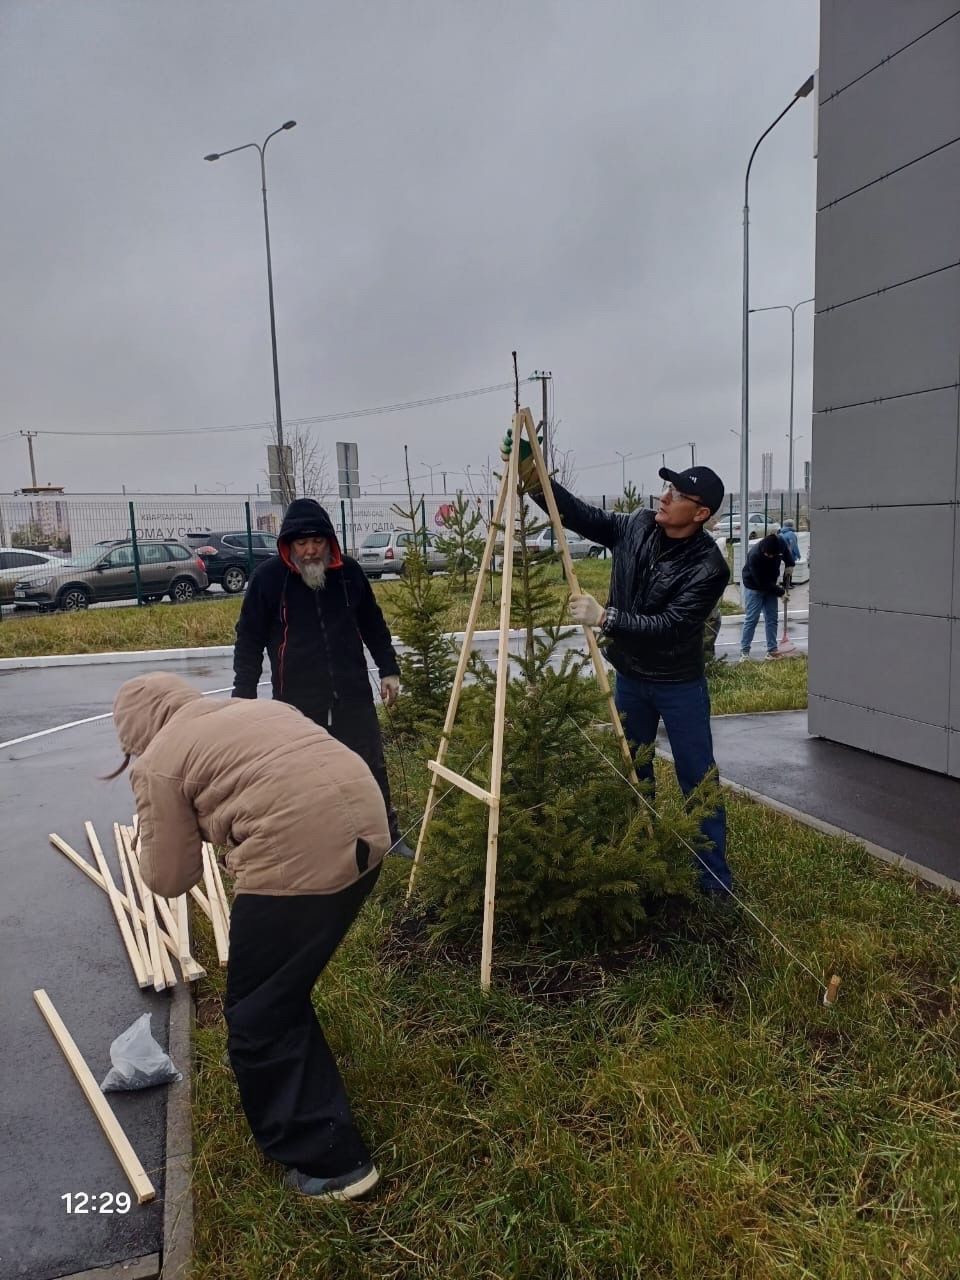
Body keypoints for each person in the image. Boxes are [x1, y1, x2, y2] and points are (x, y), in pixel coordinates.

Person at [107, 672, 390, 1199]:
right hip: (371, 835)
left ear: (133, 733)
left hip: (298, 857)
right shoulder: (249, 709)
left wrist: (154, 832)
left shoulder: (158, 761)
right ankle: (316, 1108)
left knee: (258, 1014)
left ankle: (332, 1164)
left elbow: (170, 878)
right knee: (280, 987)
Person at [502, 435, 733, 895]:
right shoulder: (638, 526)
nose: (663, 498)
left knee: (697, 776)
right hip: (630, 677)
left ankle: (714, 882)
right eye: (664, 490)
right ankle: (637, 857)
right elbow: (580, 516)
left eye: (677, 495)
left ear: (701, 513)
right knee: (633, 770)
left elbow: (671, 625)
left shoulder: (709, 566)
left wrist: (606, 616)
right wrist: (534, 478)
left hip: (677, 684)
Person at [232, 497, 413, 858]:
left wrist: (389, 669)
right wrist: (243, 697)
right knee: (302, 774)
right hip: (297, 699)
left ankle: (385, 837)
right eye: (302, 542)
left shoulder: (349, 573)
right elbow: (249, 640)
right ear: (289, 545)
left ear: (329, 540)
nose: (311, 550)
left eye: (317, 541)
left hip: (352, 691)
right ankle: (312, 845)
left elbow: (373, 624)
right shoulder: (269, 580)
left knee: (369, 766)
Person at [739, 532, 795, 661]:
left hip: (771, 584)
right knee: (752, 619)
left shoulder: (779, 543)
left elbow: (786, 552)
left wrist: (790, 564)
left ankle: (772, 650)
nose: (769, 556)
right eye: (767, 554)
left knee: (772, 618)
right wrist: (781, 592)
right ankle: (745, 652)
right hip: (754, 586)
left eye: (772, 554)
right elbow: (761, 582)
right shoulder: (754, 555)